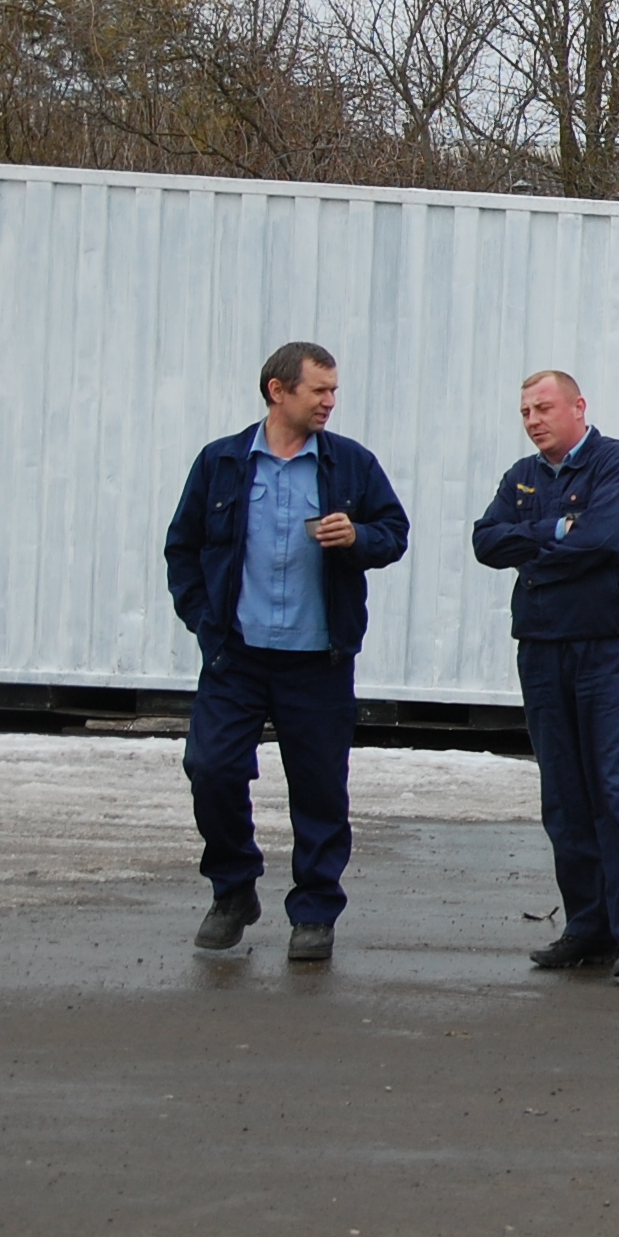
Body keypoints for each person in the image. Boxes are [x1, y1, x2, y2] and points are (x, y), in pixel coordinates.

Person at [163, 341, 410, 962]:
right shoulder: (222, 462)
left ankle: (315, 913)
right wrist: (203, 621)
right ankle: (232, 889)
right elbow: (183, 548)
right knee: (212, 769)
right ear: (279, 391)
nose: (330, 402)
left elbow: (393, 533)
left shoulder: (350, 464)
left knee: (320, 788)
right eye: (318, 391)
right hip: (236, 656)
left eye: (334, 391)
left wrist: (357, 536)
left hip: (317, 658)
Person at [472, 371, 619, 986]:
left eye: (544, 407)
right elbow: (485, 540)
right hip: (543, 649)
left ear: (579, 407)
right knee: (565, 794)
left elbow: (607, 539)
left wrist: (534, 550)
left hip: (610, 651)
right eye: (524, 410)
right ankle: (589, 927)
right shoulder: (521, 478)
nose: (532, 419)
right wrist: (554, 533)